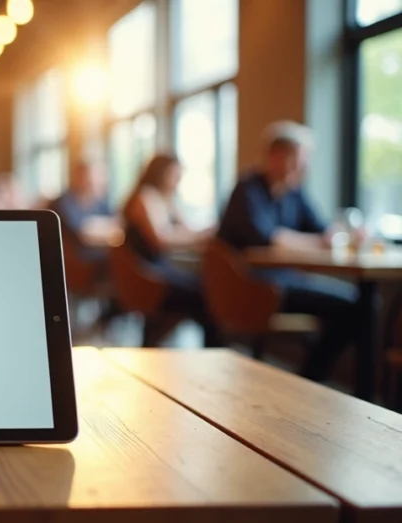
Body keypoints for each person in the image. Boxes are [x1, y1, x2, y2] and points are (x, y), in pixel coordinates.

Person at [216, 121, 362, 381]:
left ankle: (310, 379)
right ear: (275, 157)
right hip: (252, 287)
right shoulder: (247, 189)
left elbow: (322, 229)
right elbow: (270, 239)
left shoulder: (294, 193)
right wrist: (319, 240)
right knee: (353, 307)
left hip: (285, 280)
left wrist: (342, 233)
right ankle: (311, 380)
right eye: (297, 159)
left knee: (356, 302)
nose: (303, 167)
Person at [123, 153, 218, 346]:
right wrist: (199, 237)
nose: (178, 180)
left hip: (160, 269)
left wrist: (209, 232)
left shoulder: (167, 199)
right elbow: (160, 239)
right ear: (161, 173)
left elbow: (187, 230)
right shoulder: (145, 197)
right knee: (206, 296)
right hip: (147, 274)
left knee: (210, 288)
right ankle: (214, 351)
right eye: (174, 174)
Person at [53, 160, 121, 261]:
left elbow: (117, 225)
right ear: (79, 177)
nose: (97, 181)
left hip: (99, 254)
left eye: (101, 177)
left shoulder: (102, 203)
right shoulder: (64, 203)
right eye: (93, 176)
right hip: (73, 261)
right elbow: (80, 233)